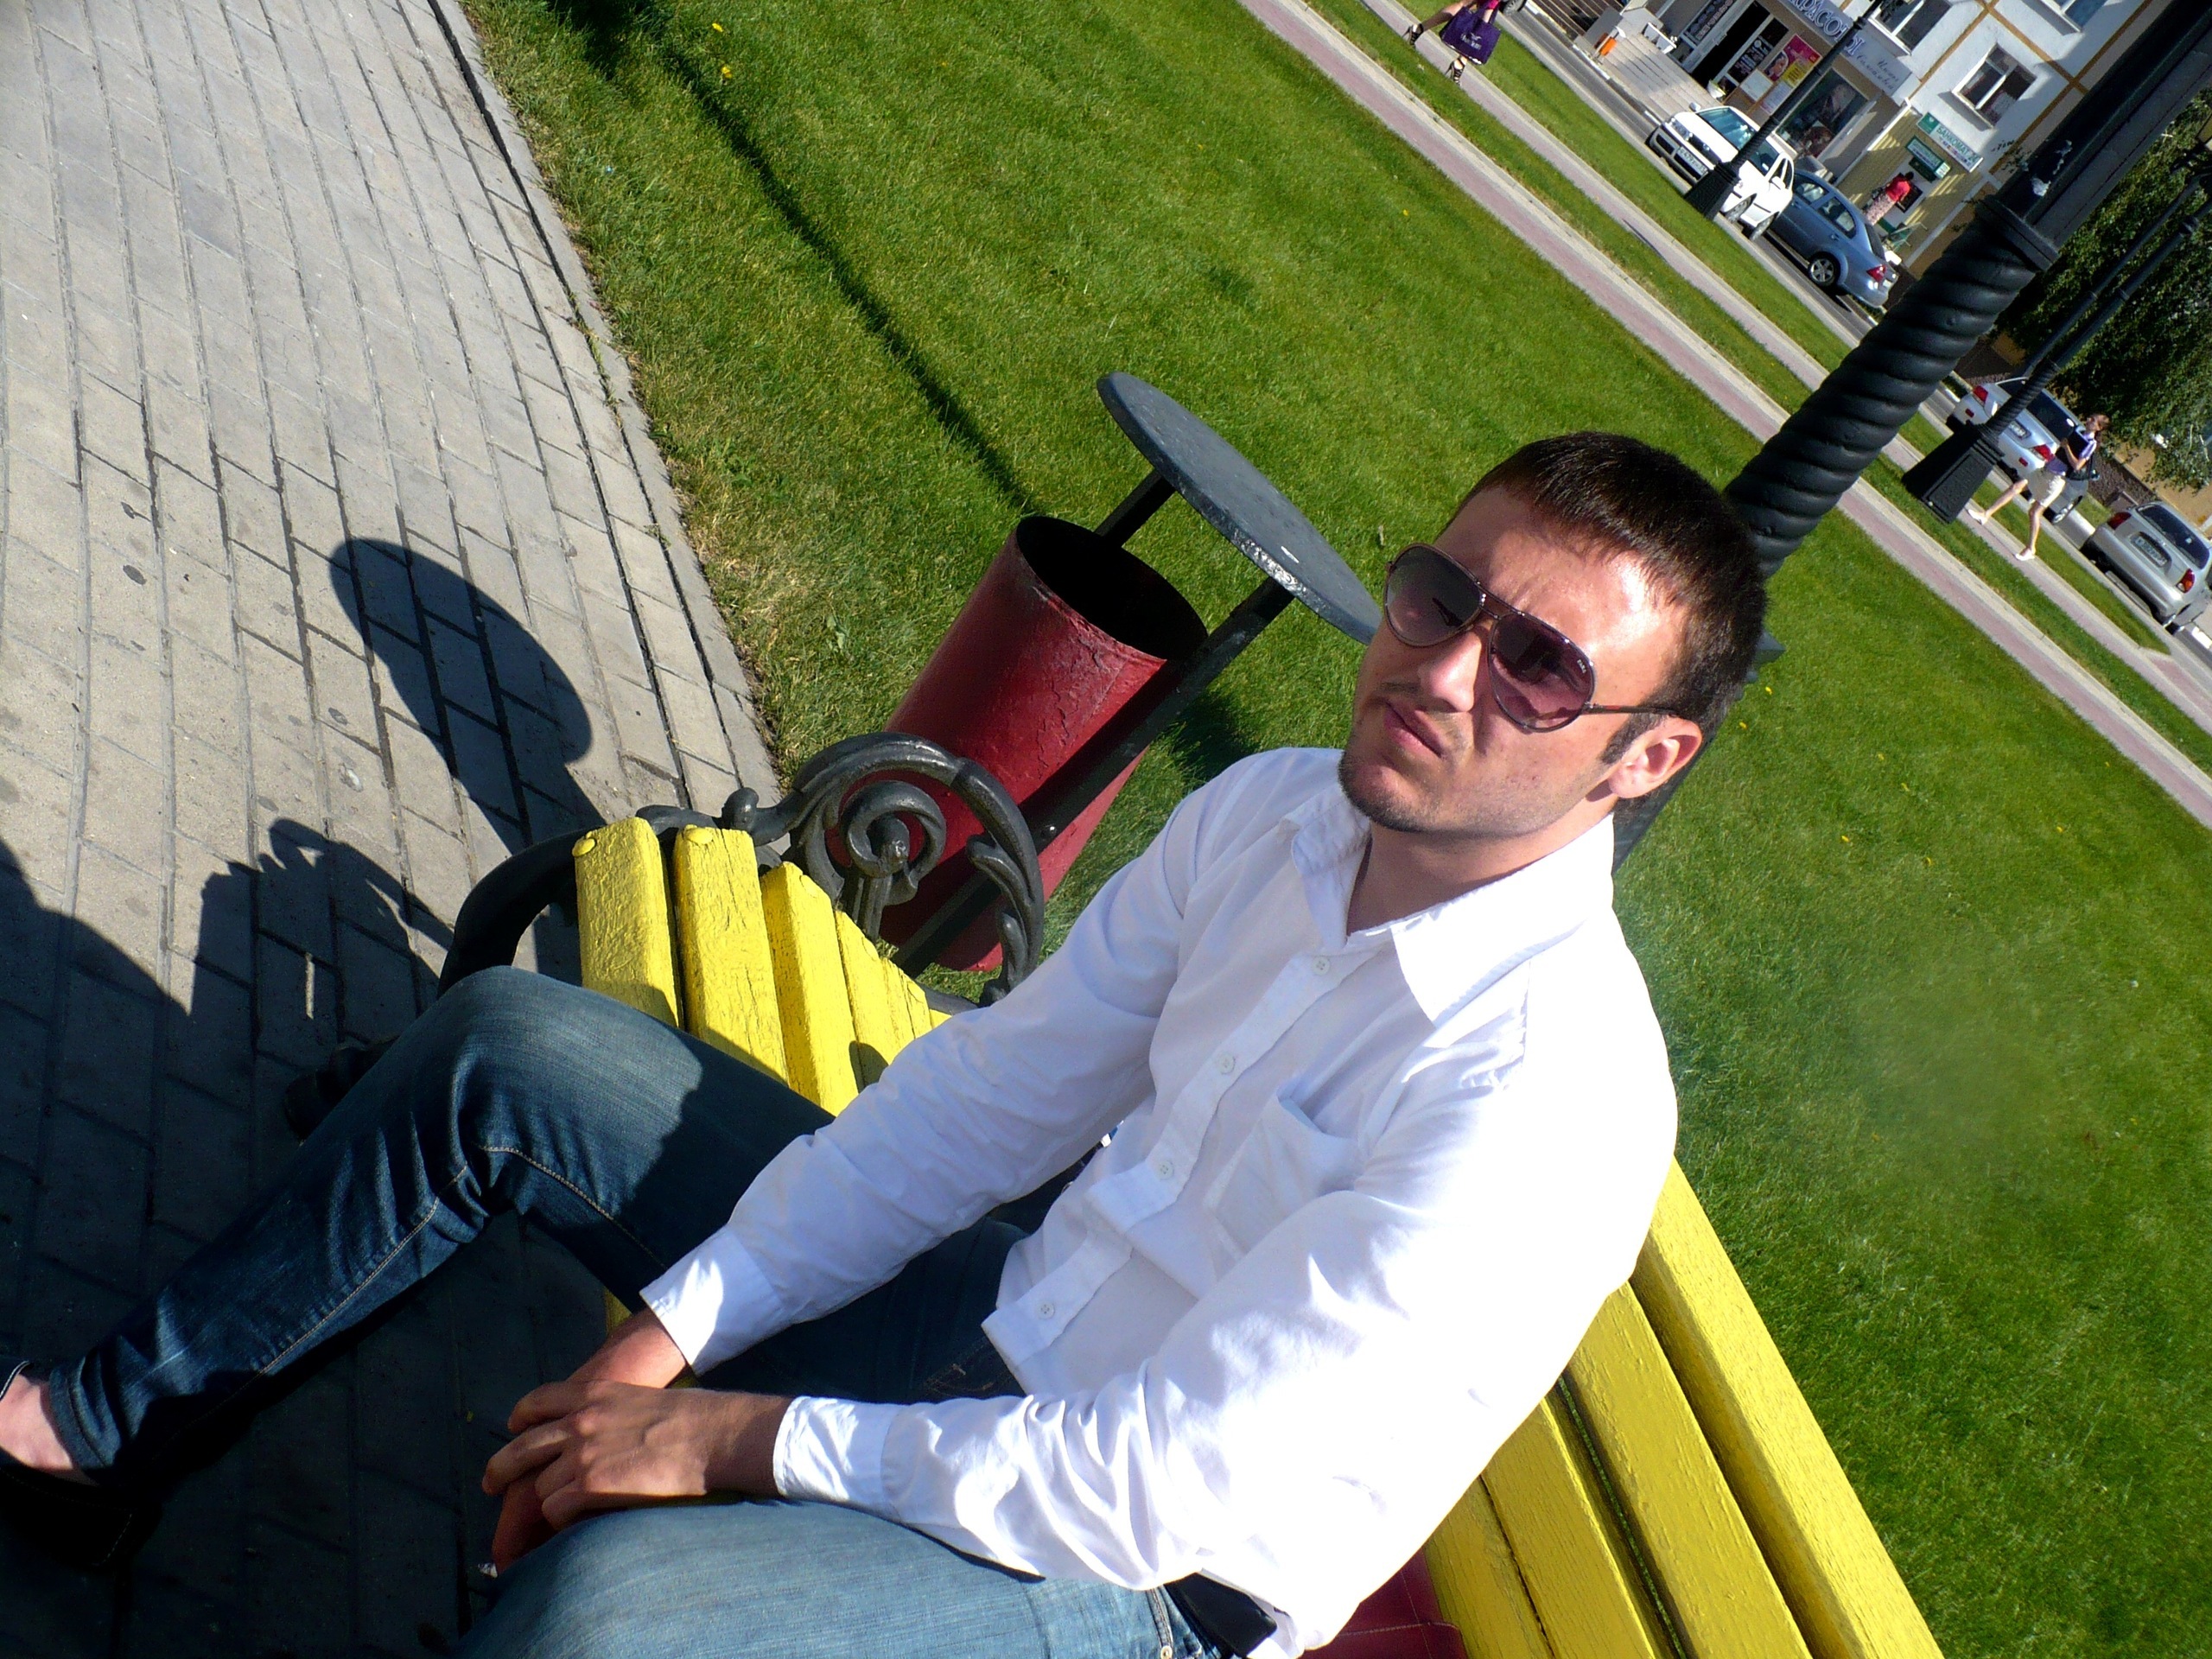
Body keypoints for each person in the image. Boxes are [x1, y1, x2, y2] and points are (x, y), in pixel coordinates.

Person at [0, 433, 1765, 1659]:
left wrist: (728, 1439)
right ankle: (96, 1439)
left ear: (1644, 757)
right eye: (1439, 595)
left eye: (1539, 667)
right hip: (993, 1332)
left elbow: (1151, 1490)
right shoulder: (1276, 816)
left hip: (1137, 1586)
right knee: (511, 1058)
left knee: (604, 1628)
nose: (1443, 671)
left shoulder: (1543, 1100)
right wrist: (676, 1336)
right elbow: (984, 1107)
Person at [1970, 411, 2107, 561]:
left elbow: (2077, 465)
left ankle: (2031, 549)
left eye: (2093, 420)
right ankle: (1985, 515)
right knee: (2015, 488)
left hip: (2056, 480)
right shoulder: (2079, 433)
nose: (2088, 420)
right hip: (2045, 470)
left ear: (2099, 428)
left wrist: (2067, 447)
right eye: (2090, 417)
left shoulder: (2091, 444)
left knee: (2034, 512)